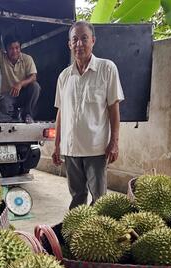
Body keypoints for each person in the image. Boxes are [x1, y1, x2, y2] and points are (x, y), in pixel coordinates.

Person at [52, 21, 124, 210]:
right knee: (77, 197)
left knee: (99, 199)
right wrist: (56, 144)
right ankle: (77, 232)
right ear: (69, 44)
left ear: (93, 41)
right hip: (71, 148)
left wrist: (114, 142)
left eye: (84, 38)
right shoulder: (64, 76)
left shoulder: (107, 69)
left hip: (96, 149)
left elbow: (114, 109)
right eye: (74, 40)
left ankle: (99, 233)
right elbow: (61, 111)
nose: (79, 44)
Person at [0, 15, 41, 123]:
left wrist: (20, 84)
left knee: (35, 86)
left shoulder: (27, 59)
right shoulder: (2, 58)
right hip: (8, 95)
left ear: (20, 47)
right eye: (11, 48)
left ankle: (27, 115)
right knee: (4, 103)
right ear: (6, 49)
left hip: (22, 94)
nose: (14, 51)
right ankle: (7, 121)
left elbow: (33, 77)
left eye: (17, 48)